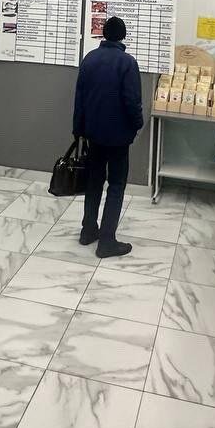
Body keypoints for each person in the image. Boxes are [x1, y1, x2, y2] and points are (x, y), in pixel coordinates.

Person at [72, 15, 143, 258]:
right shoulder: (127, 63)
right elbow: (132, 101)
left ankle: (88, 230)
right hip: (119, 137)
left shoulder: (90, 59)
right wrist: (137, 124)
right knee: (116, 184)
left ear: (104, 34)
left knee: (94, 182)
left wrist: (78, 129)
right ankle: (107, 241)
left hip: (93, 134)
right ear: (123, 36)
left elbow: (79, 98)